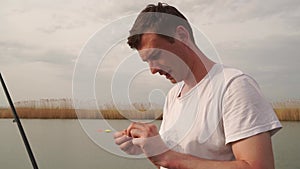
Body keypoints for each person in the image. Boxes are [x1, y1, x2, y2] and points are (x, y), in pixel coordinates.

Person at [114, 2, 282, 169]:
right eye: (147, 61)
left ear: (181, 35)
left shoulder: (234, 86)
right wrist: (151, 150)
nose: (152, 69)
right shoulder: (173, 96)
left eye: (156, 55)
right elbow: (171, 163)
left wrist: (166, 156)